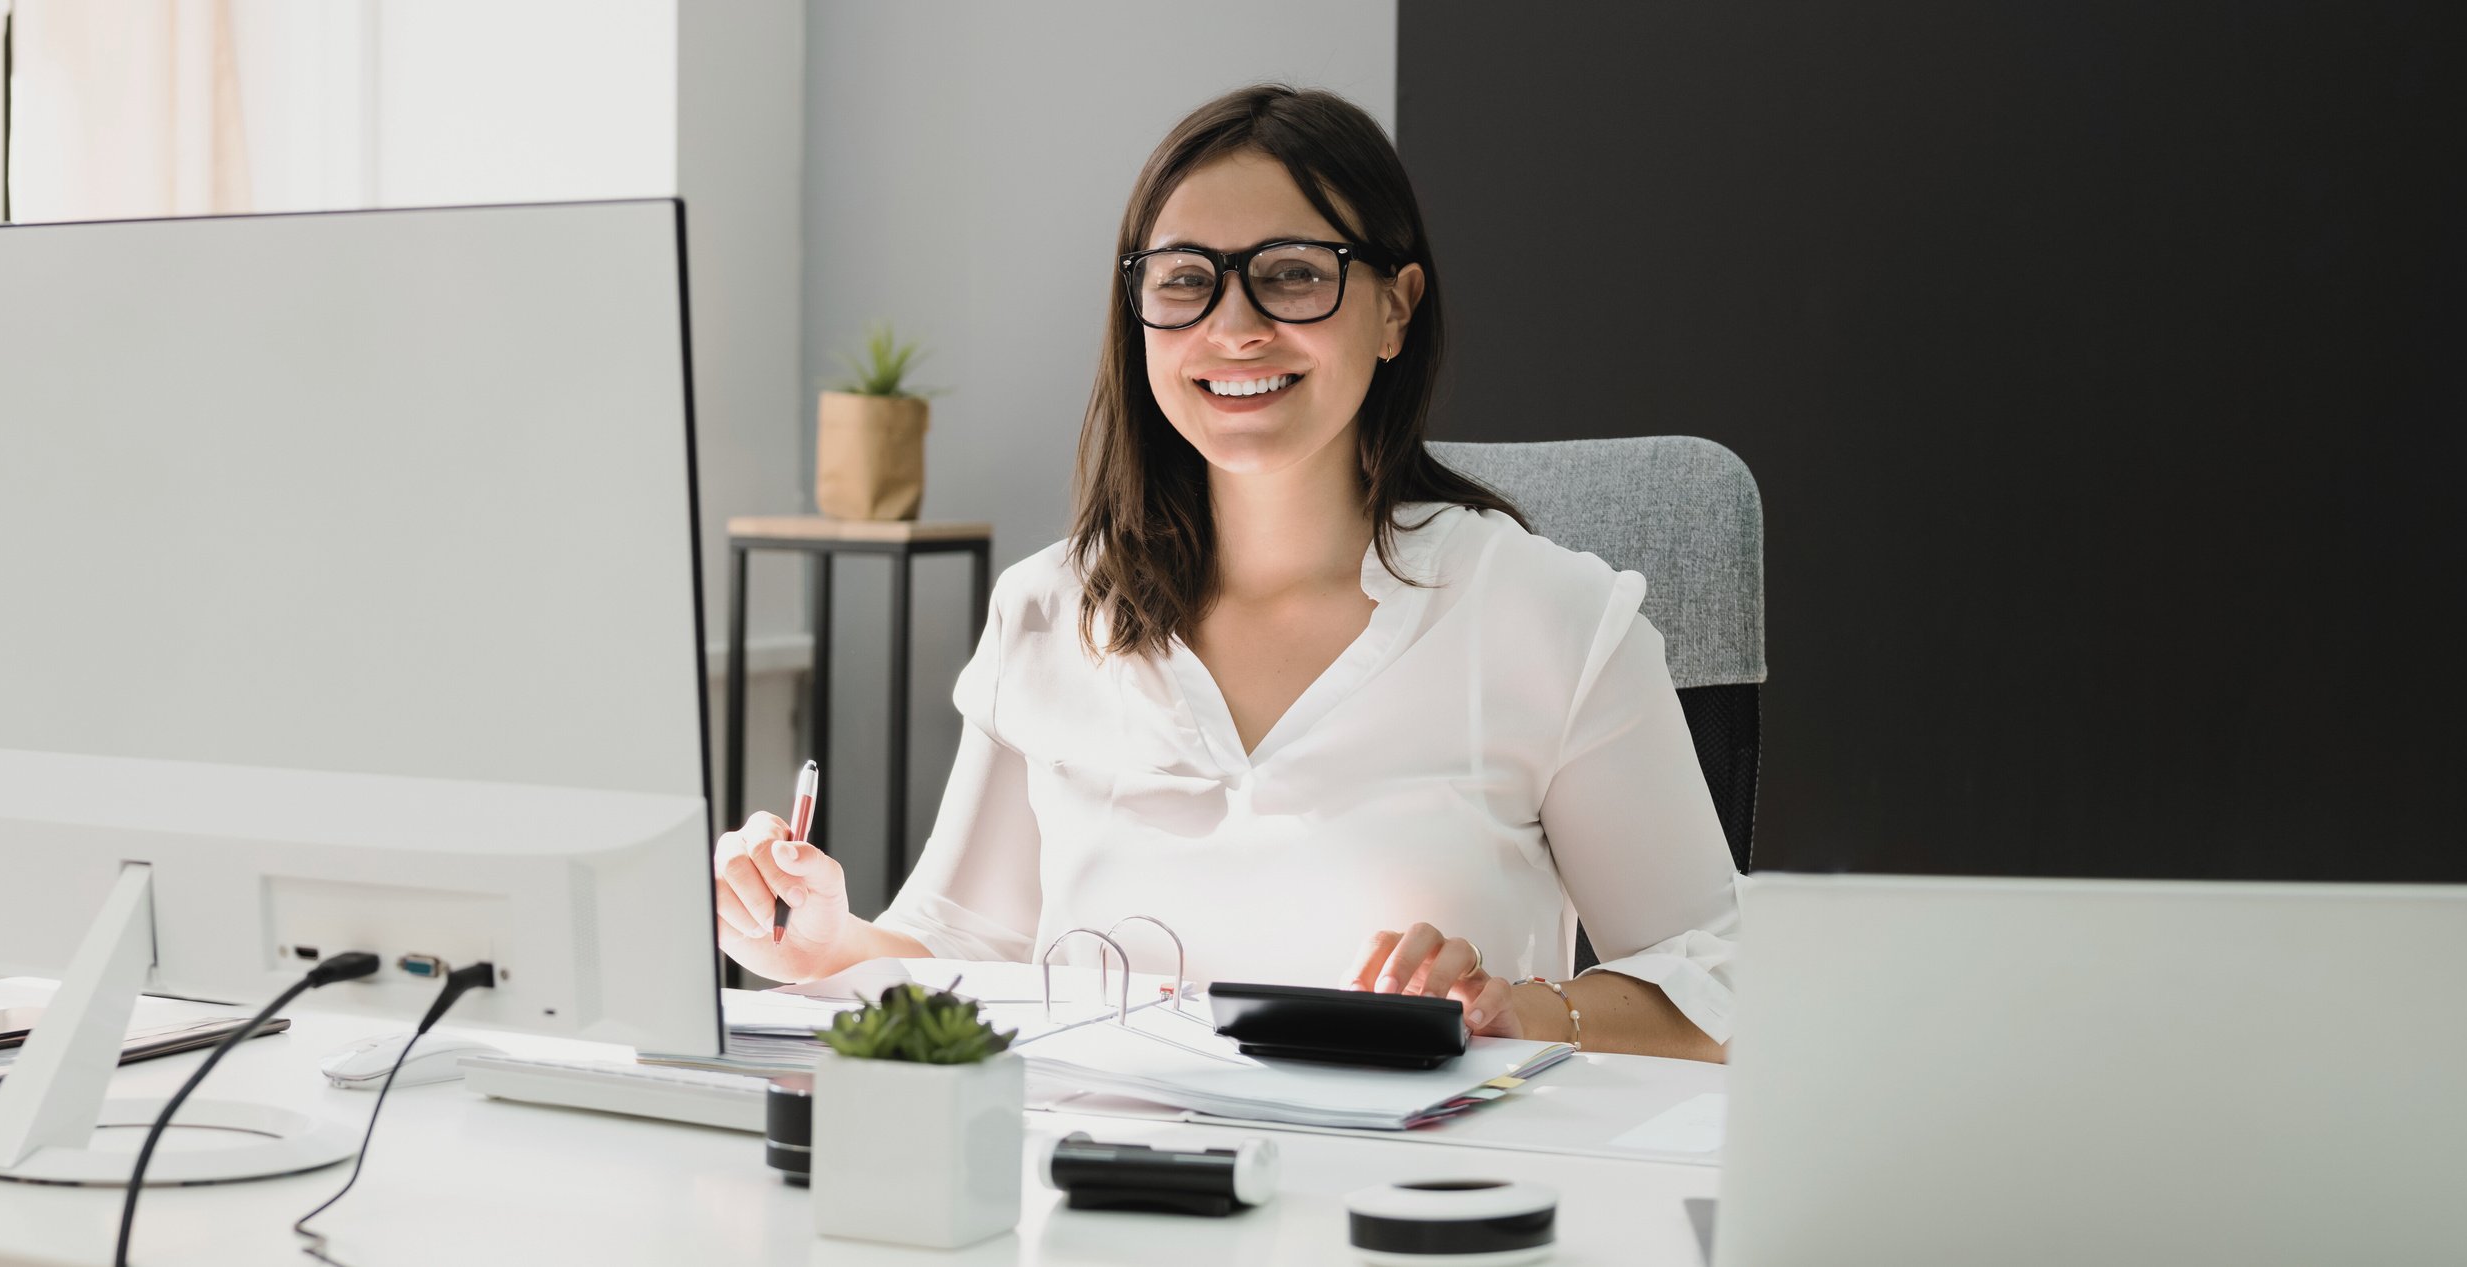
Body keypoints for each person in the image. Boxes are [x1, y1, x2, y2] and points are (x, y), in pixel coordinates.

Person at [711, 84, 1737, 1062]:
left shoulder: (1547, 616)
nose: (1233, 327)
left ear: (1394, 308)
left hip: (1408, 1215)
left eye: (1292, 272)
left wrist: (1513, 1009)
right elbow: (964, 954)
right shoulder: (1047, 610)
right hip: (1099, 1204)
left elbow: (1727, 980)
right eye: (1184, 279)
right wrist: (825, 943)